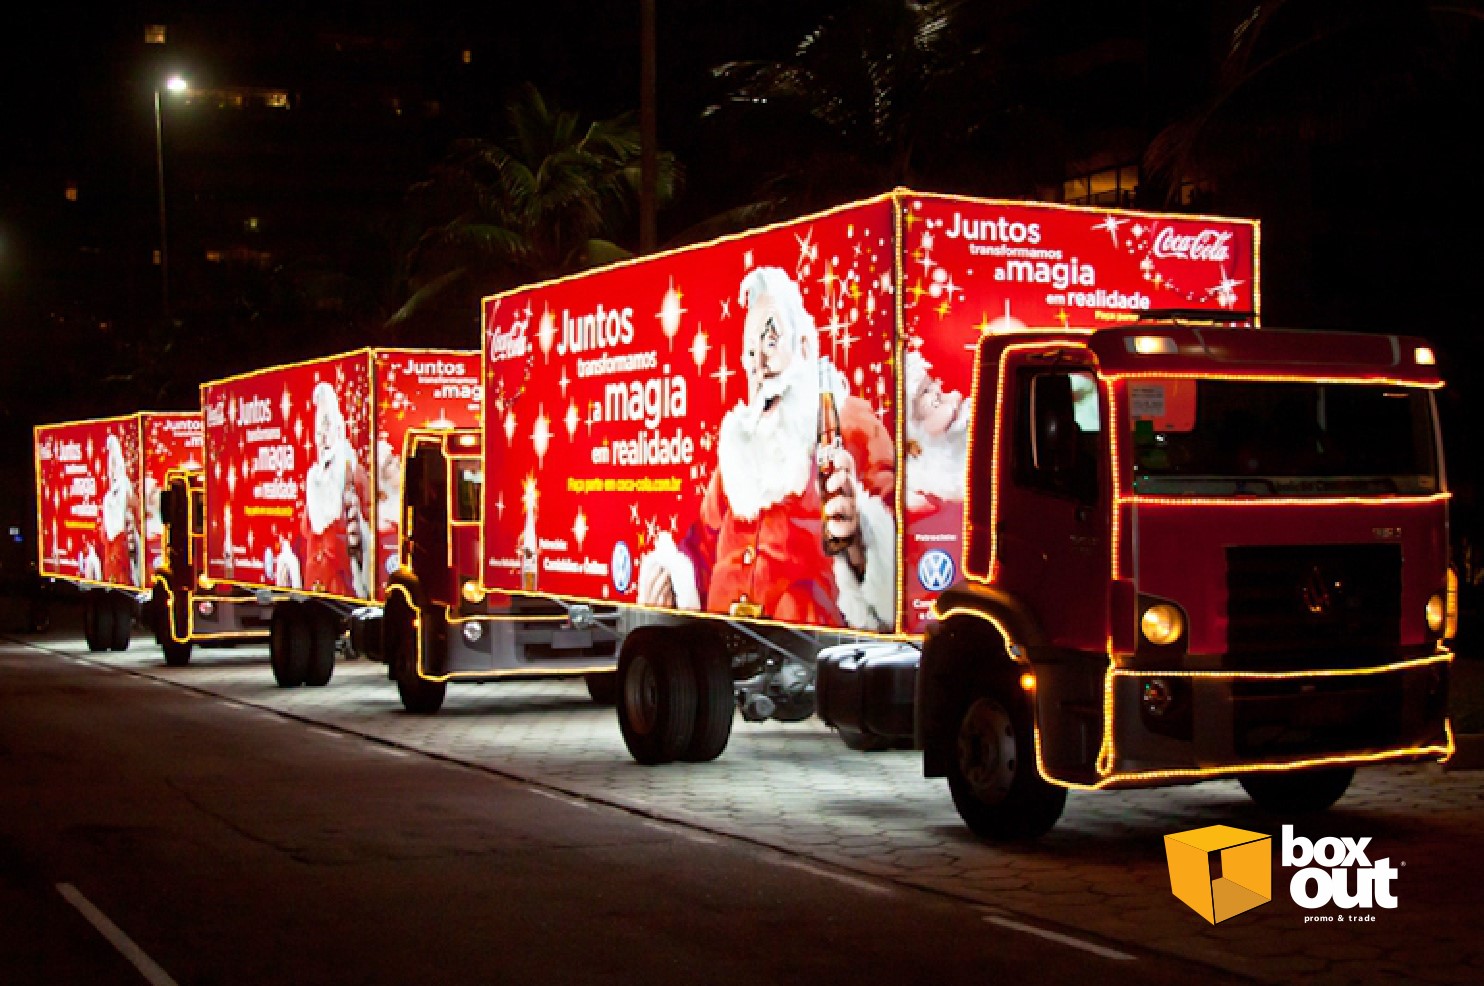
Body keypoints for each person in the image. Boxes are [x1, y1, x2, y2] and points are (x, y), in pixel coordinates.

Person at [637, 266, 896, 630]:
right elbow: (701, 548)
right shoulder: (738, 452)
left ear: (804, 347)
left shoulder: (851, 424)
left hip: (808, 652)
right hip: (728, 645)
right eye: (750, 353)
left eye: (770, 341)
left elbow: (900, 542)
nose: (759, 365)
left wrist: (860, 541)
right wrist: (671, 579)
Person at [303, 382, 357, 595]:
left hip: (341, 570)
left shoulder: (348, 466)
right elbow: (316, 523)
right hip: (320, 570)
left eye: (328, 426)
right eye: (318, 432)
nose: (323, 437)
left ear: (338, 428)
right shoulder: (315, 476)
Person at [902, 350, 969, 518]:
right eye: (925, 391)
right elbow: (944, 415)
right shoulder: (923, 426)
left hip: (953, 453)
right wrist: (952, 404)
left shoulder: (936, 402)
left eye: (930, 383)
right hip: (941, 466)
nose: (934, 389)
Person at [100, 434, 138, 585]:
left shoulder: (123, 485)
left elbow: (133, 505)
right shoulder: (109, 495)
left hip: (120, 545)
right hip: (112, 546)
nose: (113, 468)